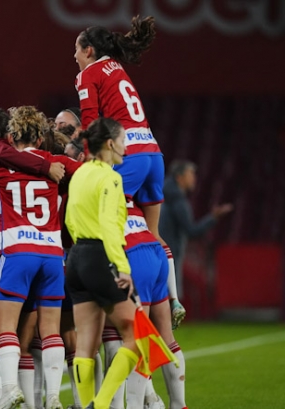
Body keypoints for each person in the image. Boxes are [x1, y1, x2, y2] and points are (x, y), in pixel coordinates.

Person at [0, 106, 81, 409]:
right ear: (40, 134)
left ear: (11, 134)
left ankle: (8, 389)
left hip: (17, 252)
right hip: (51, 255)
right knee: (50, 330)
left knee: (7, 327)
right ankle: (52, 397)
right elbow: (85, 169)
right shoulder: (56, 163)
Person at [72, 16, 186, 326]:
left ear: (90, 51)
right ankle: (173, 298)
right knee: (153, 233)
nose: (75, 57)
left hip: (128, 155)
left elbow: (90, 120)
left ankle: (124, 296)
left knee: (107, 223)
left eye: (78, 51)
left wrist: (88, 160)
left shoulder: (88, 75)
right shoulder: (118, 69)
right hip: (152, 151)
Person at [65, 117, 141, 409]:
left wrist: (81, 255)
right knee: (135, 336)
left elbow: (71, 219)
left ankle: (85, 406)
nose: (125, 145)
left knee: (85, 343)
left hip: (76, 258)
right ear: (110, 143)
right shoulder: (111, 177)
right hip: (99, 258)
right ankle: (102, 403)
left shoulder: (81, 173)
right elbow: (110, 225)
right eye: (122, 140)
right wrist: (122, 267)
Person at [123, 200, 188, 409]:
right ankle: (179, 404)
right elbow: (159, 237)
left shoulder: (96, 186)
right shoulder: (139, 194)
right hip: (156, 253)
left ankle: (148, 400)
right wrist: (174, 298)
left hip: (131, 254)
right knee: (166, 336)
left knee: (130, 338)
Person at [159, 160, 233, 300]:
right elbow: (192, 231)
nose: (194, 178)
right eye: (190, 174)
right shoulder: (178, 202)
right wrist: (213, 218)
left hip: (159, 253)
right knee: (172, 299)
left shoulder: (163, 197)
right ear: (179, 177)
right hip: (171, 254)